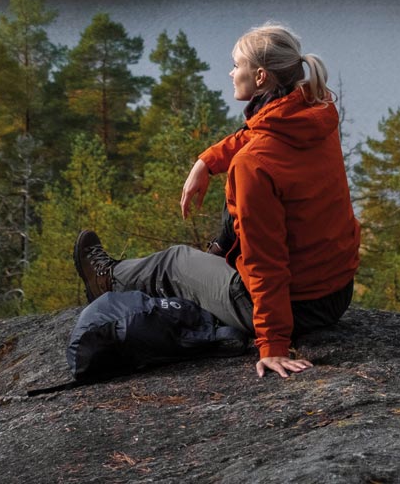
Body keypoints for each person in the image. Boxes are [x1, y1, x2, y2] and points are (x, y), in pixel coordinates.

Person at [73, 23, 360, 379]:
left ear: (259, 77)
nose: (230, 72)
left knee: (174, 262)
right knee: (221, 231)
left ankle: (107, 278)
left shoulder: (253, 165)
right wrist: (207, 161)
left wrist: (272, 344)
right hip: (335, 294)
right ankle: (214, 260)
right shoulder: (316, 112)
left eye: (235, 64)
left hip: (294, 306)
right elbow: (263, 131)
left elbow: (265, 262)